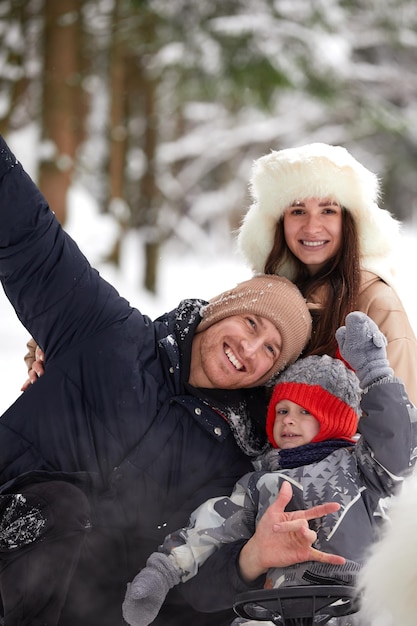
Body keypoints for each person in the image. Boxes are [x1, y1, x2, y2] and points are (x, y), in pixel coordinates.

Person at [0, 133, 342, 626]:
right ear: (220, 310)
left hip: (89, 612)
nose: (250, 349)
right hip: (12, 539)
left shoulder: (229, 460)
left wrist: (253, 558)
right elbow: (32, 244)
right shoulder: (109, 332)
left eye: (271, 349)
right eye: (250, 324)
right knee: (61, 503)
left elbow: (195, 581)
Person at [120, 311, 417, 626]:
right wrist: (161, 573)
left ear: (334, 418)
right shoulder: (259, 484)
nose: (288, 419)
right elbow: (208, 527)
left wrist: (373, 369)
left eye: (305, 411)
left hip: (353, 605)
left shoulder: (362, 467)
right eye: (282, 409)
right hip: (277, 609)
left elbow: (399, 444)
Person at [237, 142, 417, 406]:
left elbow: (400, 423)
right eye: (298, 211)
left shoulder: (377, 303)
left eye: (328, 211)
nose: (312, 227)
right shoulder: (265, 294)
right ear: (279, 222)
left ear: (349, 222)